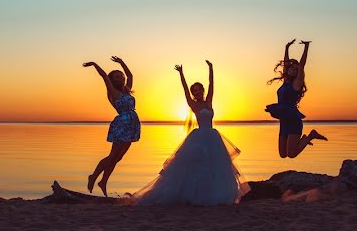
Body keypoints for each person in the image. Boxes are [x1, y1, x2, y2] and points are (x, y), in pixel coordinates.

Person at [133, 60, 248, 206]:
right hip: (199, 137)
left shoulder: (209, 102)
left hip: (213, 137)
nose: (198, 92)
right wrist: (181, 74)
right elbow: (185, 90)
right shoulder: (193, 105)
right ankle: (192, 194)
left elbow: (212, 85)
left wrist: (211, 69)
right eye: (195, 91)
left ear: (203, 91)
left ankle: (212, 193)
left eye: (200, 90)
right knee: (195, 166)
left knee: (216, 166)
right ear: (193, 94)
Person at [83, 56, 140, 196]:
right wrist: (95, 63)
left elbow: (130, 75)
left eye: (120, 75)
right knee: (112, 155)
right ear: (113, 80)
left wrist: (121, 62)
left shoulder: (127, 90)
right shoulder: (113, 93)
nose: (120, 77)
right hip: (122, 124)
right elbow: (104, 76)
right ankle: (93, 176)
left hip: (132, 125)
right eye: (116, 77)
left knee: (118, 158)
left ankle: (103, 182)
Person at [266, 39, 327, 158]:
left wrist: (306, 47)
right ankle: (303, 140)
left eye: (296, 69)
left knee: (291, 154)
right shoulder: (286, 82)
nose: (293, 70)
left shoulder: (297, 83)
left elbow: (302, 64)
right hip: (284, 121)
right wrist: (287, 47)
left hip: (294, 121)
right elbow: (286, 62)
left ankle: (310, 136)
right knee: (282, 154)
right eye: (291, 68)